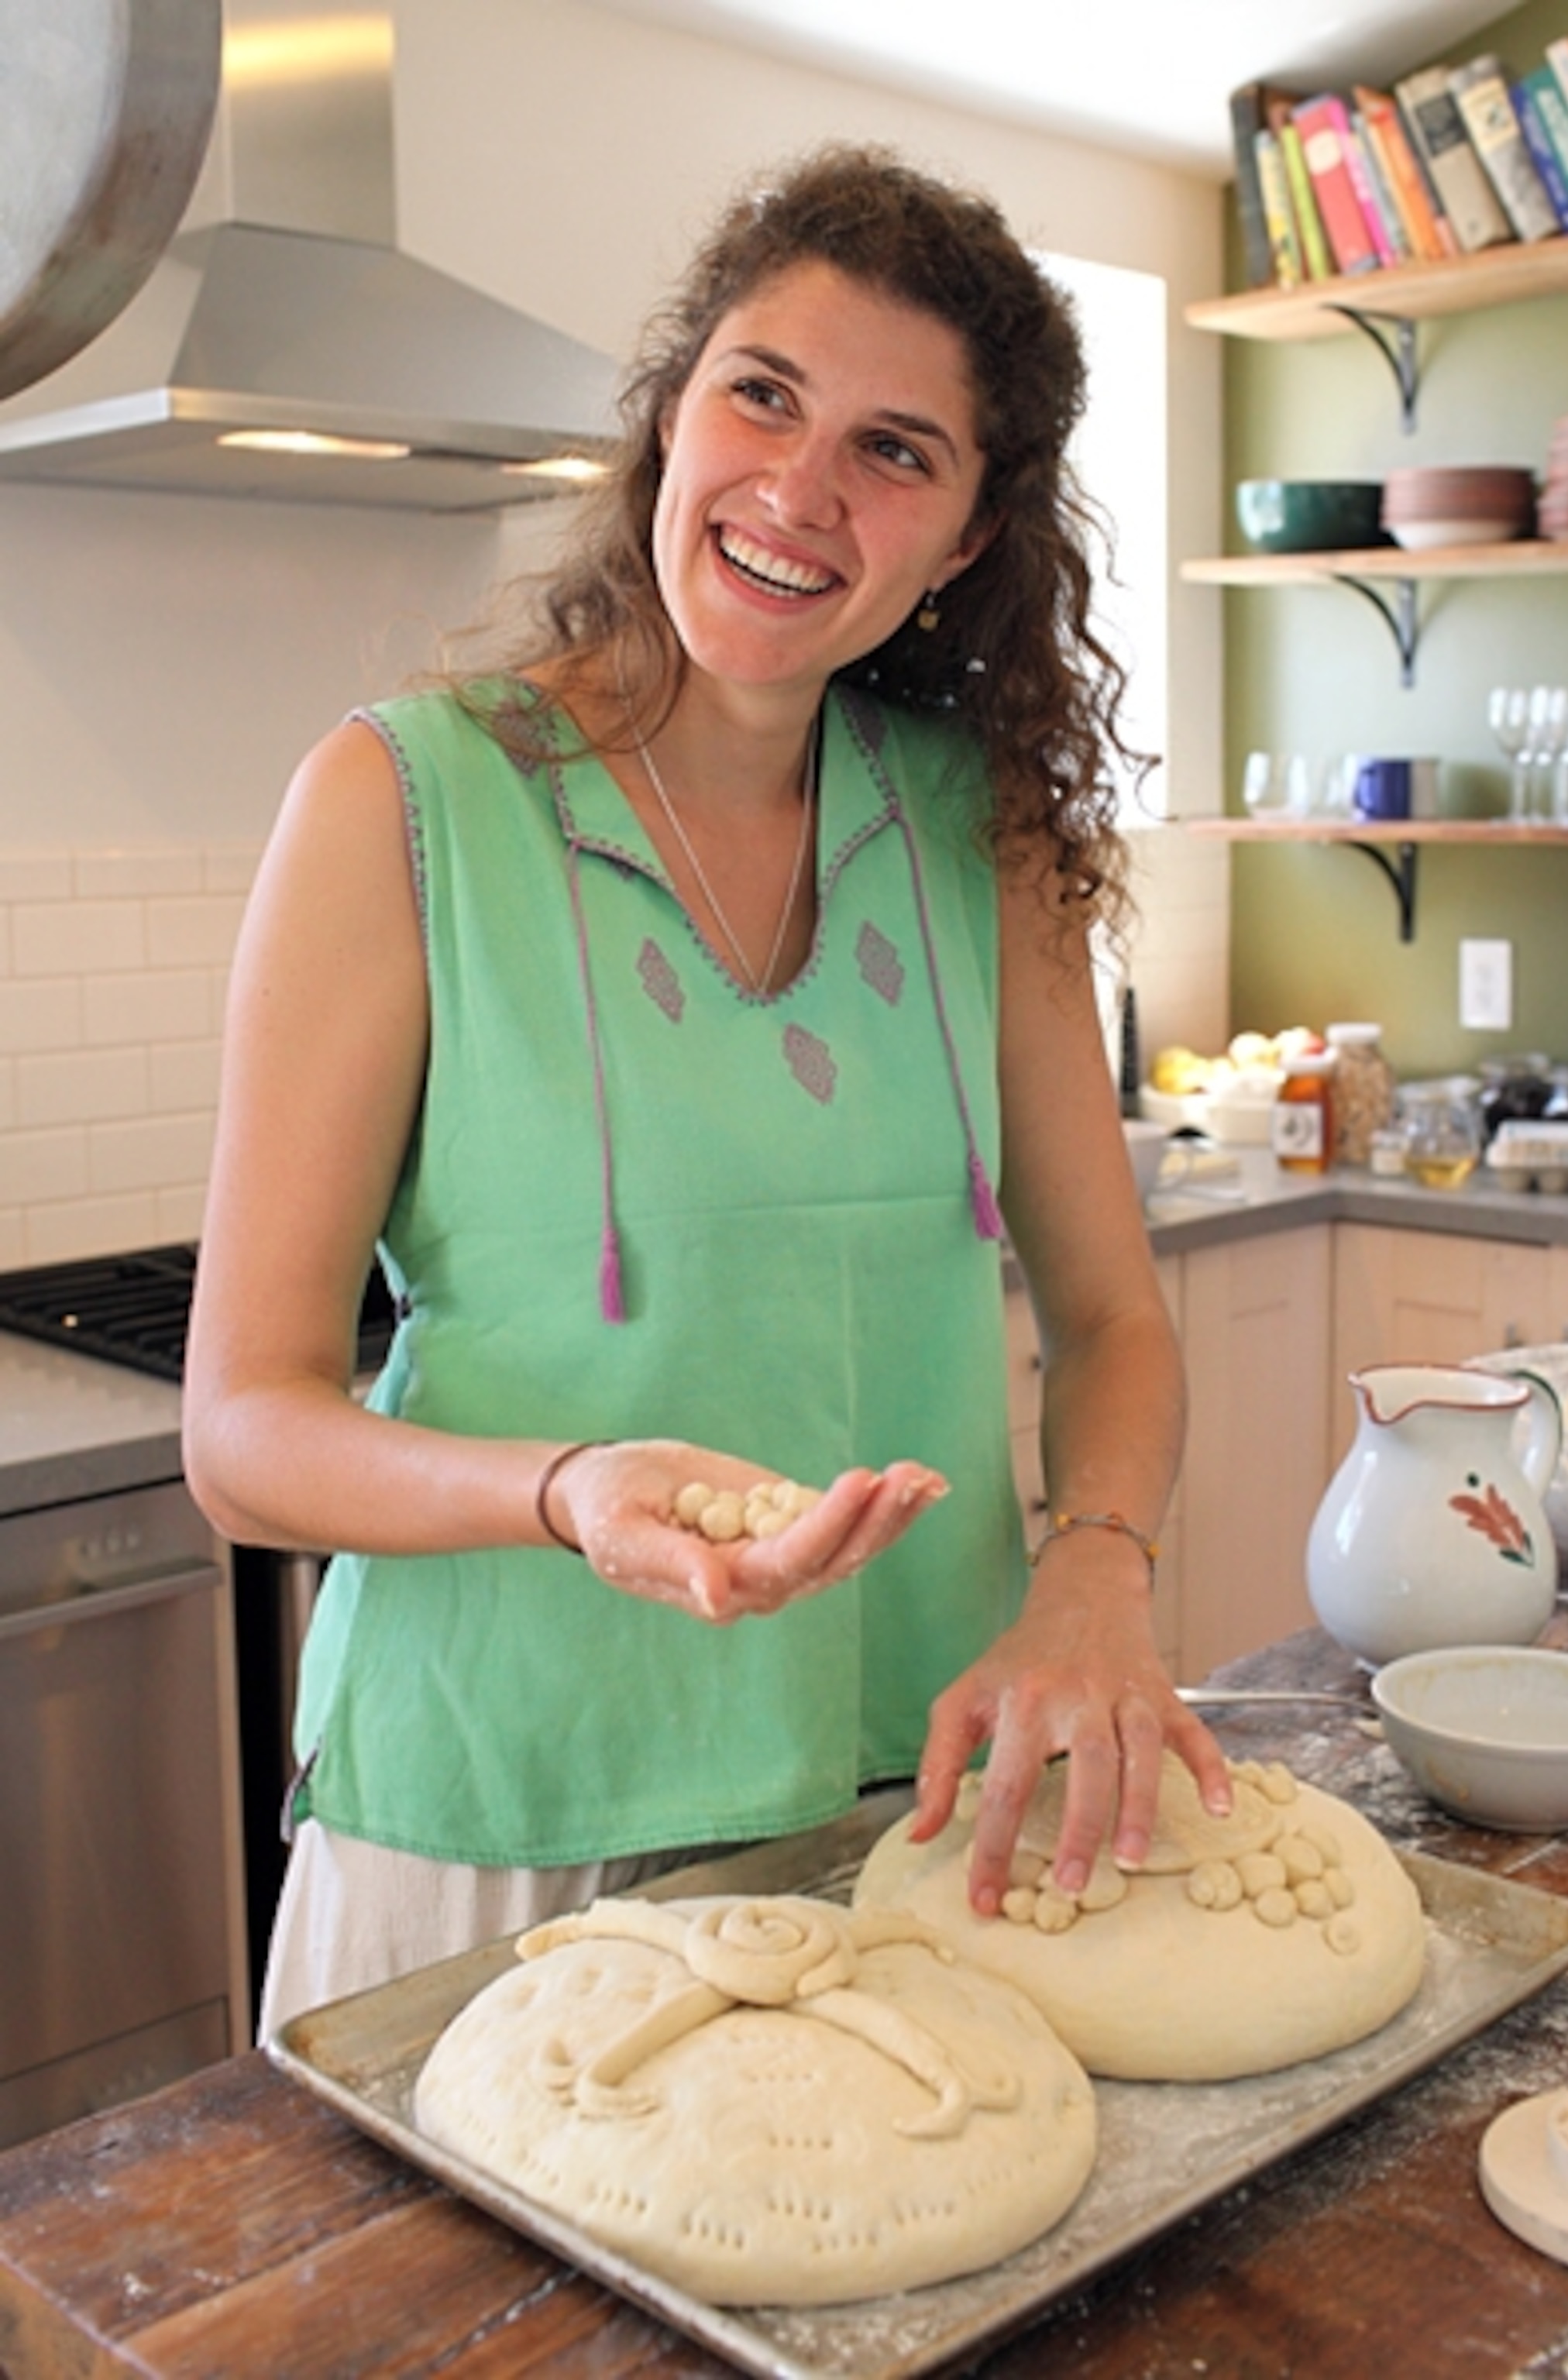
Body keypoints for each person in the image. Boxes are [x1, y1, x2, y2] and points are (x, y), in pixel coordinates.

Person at [183, 141, 1229, 2038]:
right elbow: (245, 1433)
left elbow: (1110, 1321)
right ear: (672, 414)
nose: (799, 492)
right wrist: (568, 1489)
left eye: (897, 451)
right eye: (764, 395)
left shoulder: (982, 837)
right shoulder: (402, 801)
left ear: (969, 537)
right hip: (497, 1805)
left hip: (890, 1796)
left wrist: (1098, 1573)